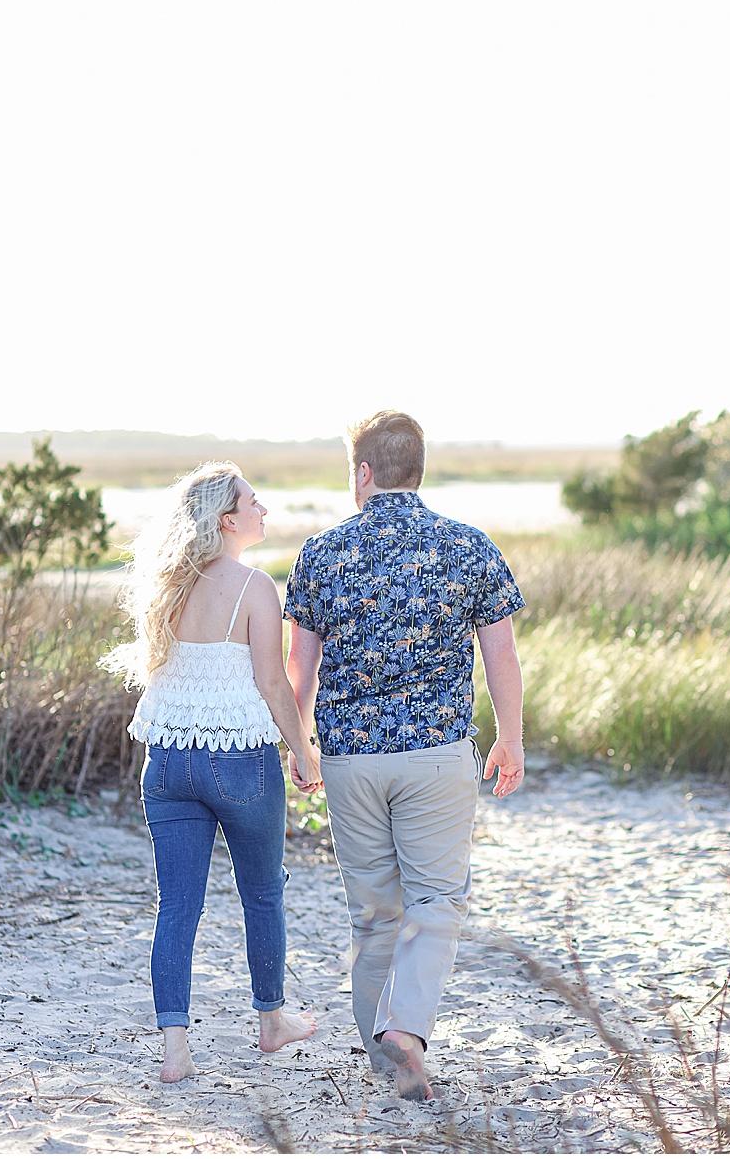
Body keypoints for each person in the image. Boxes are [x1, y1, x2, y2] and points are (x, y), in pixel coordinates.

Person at [283, 410, 526, 1101]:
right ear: (417, 469)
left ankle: (387, 1059)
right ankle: (406, 1033)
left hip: (352, 758)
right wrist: (508, 737)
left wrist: (299, 748)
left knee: (374, 913)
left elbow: (301, 669)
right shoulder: (468, 545)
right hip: (436, 754)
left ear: (362, 473)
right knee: (438, 899)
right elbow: (500, 652)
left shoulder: (321, 553)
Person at [101, 461, 323, 1084]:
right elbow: (273, 682)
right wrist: (303, 751)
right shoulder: (255, 587)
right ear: (227, 519)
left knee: (177, 906)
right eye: (254, 502)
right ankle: (272, 1020)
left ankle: (176, 1052)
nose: (264, 510)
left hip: (167, 758)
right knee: (262, 892)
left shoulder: (165, 587)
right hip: (239, 760)